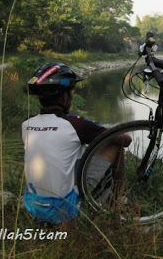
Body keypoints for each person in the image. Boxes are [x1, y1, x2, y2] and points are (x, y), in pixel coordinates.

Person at [22, 63, 131, 223]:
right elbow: (126, 140)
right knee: (115, 143)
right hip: (66, 211)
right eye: (71, 91)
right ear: (65, 96)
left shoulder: (26, 124)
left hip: (33, 208)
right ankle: (118, 201)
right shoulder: (76, 124)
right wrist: (102, 130)